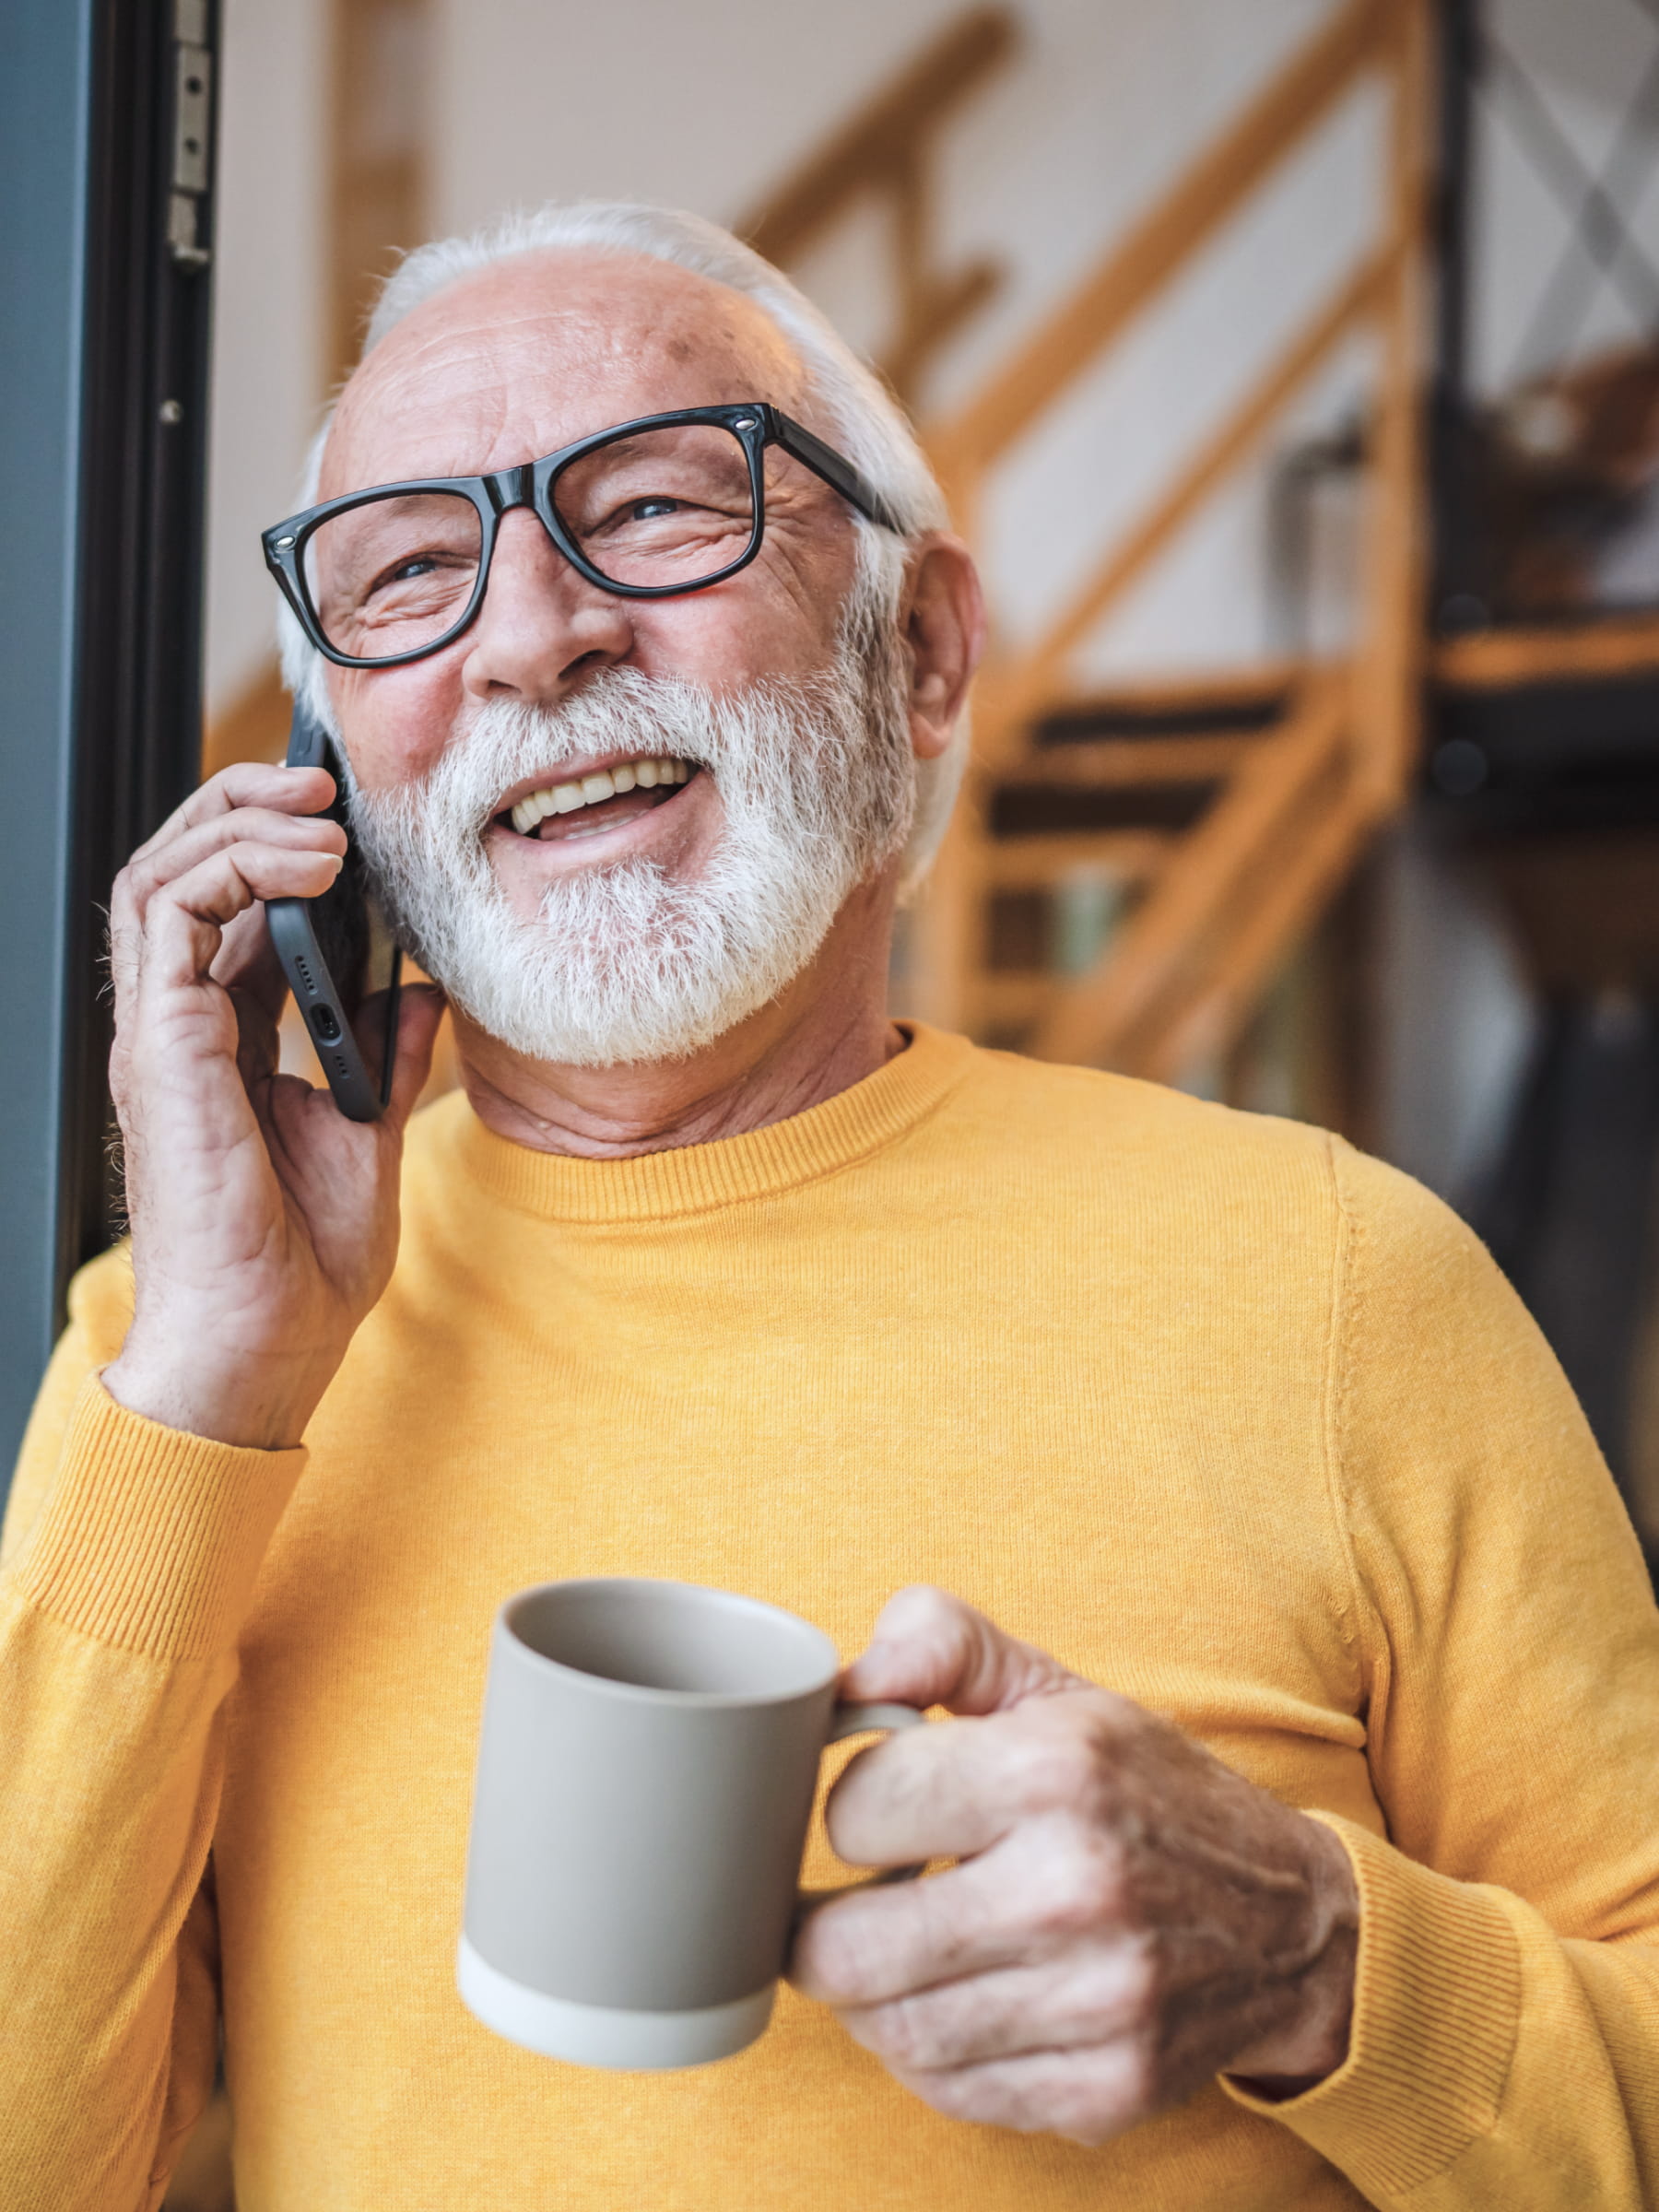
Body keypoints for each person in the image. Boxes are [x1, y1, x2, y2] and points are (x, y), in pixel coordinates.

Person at [2, 201, 1656, 2212]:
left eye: (665, 510)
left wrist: (1328, 1966)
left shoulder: (1343, 1281)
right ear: (331, 772)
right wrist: (203, 1390)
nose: (534, 635)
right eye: (415, 572)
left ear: (927, 648)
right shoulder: (175, 1367)